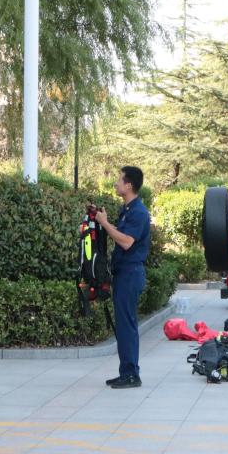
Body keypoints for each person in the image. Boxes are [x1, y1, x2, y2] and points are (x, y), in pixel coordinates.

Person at [94, 166, 151, 389]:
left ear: (129, 185)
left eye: (119, 180)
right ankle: (126, 372)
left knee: (127, 325)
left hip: (130, 273)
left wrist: (105, 223)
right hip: (123, 273)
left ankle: (131, 375)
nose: (116, 183)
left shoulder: (138, 212)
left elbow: (126, 242)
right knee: (124, 325)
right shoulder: (127, 209)